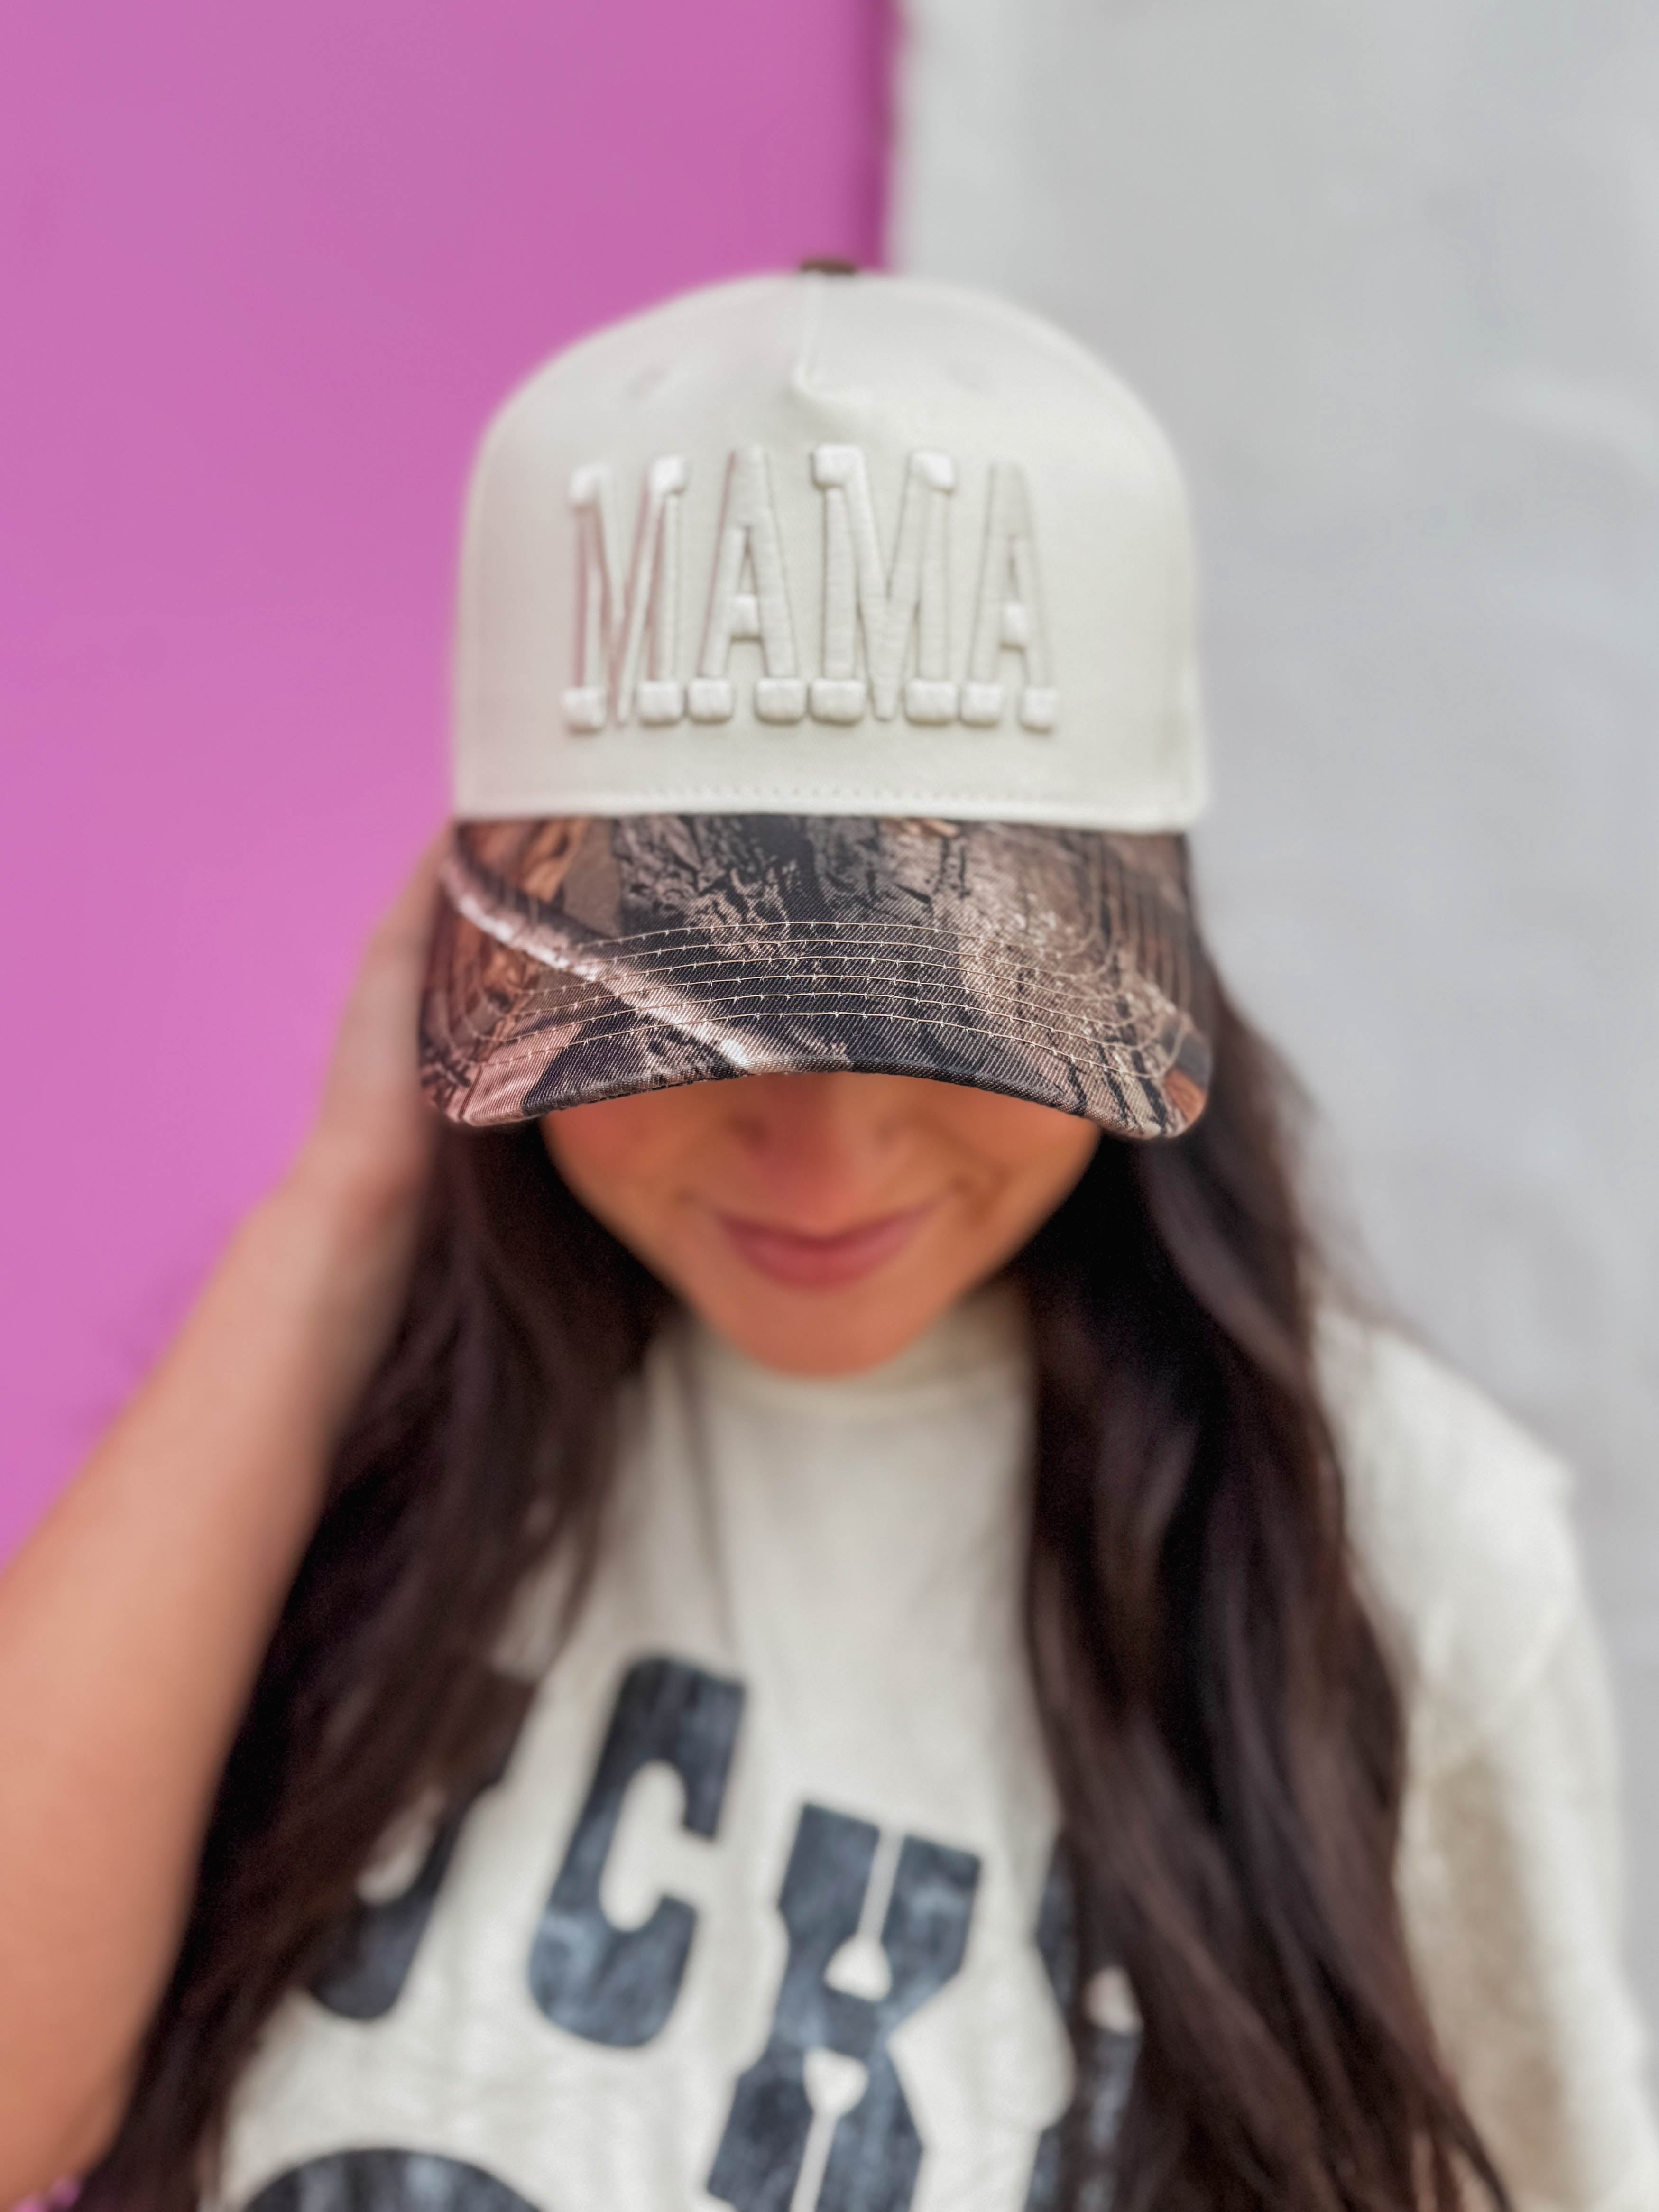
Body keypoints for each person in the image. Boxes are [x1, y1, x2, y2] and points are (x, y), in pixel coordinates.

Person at [0, 270, 1651, 2212]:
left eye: (955, 1016)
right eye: (682, 1013)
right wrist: (345, 1212)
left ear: (1151, 936)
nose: (823, 1154)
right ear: (480, 941)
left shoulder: (1390, 1553)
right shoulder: (335, 1437)